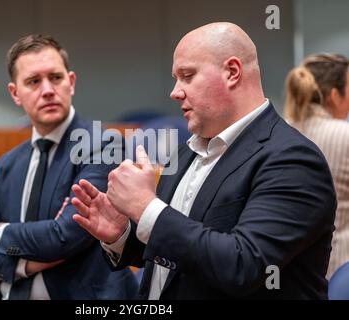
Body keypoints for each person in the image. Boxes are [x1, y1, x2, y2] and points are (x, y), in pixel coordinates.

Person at [71, 22, 337, 299]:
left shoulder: (292, 159)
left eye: (187, 76)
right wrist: (122, 234)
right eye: (176, 78)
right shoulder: (189, 150)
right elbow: (176, 250)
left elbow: (242, 266)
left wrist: (146, 208)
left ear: (232, 72)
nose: (175, 91)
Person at [0, 34, 138, 300]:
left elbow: (64, 237)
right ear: (15, 93)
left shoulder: (103, 145)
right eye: (33, 81)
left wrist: (0, 231)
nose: (47, 89)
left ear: (71, 82)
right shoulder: (9, 162)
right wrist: (21, 267)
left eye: (55, 78)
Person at [284, 53, 349, 279]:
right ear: (334, 95)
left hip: (287, 269)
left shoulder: (278, 131)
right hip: (339, 269)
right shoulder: (345, 134)